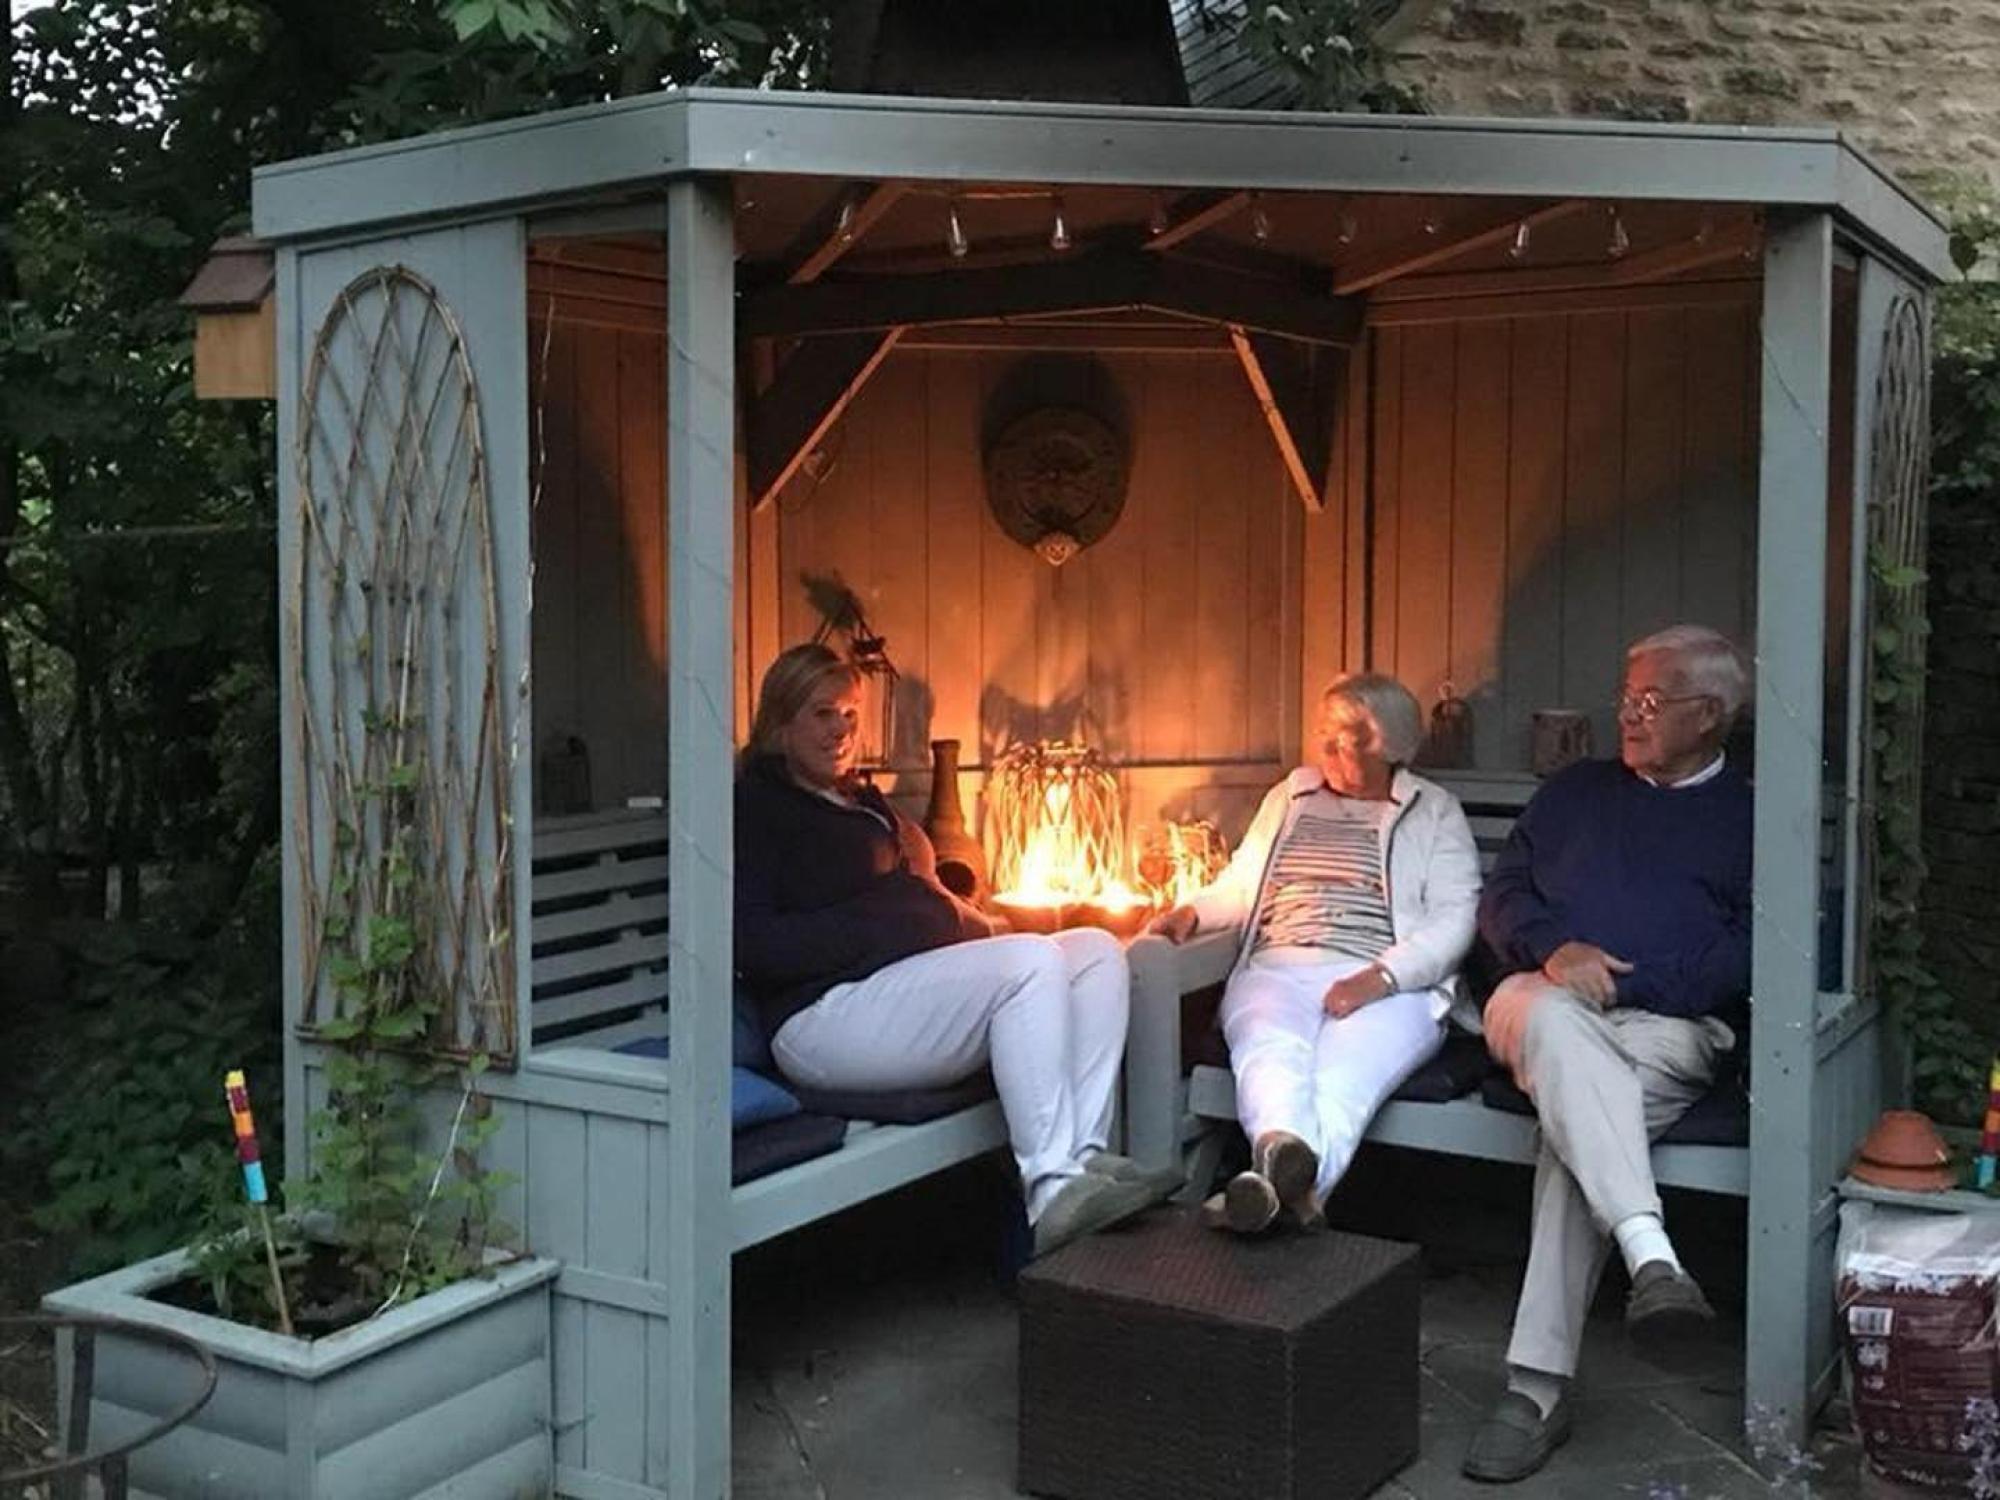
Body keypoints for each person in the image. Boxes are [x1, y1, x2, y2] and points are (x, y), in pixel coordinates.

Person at [734, 643, 1164, 1259]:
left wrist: (943, 917)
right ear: (780, 723)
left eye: (850, 715)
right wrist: (889, 924)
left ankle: (1083, 1162)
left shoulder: (861, 801)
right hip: (818, 1022)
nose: (840, 731)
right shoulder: (756, 808)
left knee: (1094, 951)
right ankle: (1049, 1191)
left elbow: (918, 898)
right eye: (821, 714)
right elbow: (757, 946)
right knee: (1029, 963)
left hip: (894, 996)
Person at [1461, 624, 1753, 1484]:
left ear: (1708, 716)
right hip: (1533, 1004)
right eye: (1625, 696)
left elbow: (1747, 952)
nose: (1626, 713)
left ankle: (1536, 1392)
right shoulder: (1574, 792)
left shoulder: (1746, 818)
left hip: (1666, 1031)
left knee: (1572, 1134)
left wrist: (1628, 986)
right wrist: (1556, 952)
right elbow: (1503, 894)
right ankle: (1650, 1257)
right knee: (1551, 1024)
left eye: (1650, 700)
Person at [1151, 672, 1481, 1233]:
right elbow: (1240, 883)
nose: (1327, 746)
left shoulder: (1433, 810)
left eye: (1348, 735)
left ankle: (1267, 1189)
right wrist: (1194, 911)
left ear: (1390, 744)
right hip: (1277, 967)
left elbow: (1456, 918)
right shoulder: (1291, 796)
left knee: (1343, 1076)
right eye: (1324, 730)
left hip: (1385, 979)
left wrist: (1382, 976)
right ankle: (1290, 1173)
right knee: (1267, 1050)